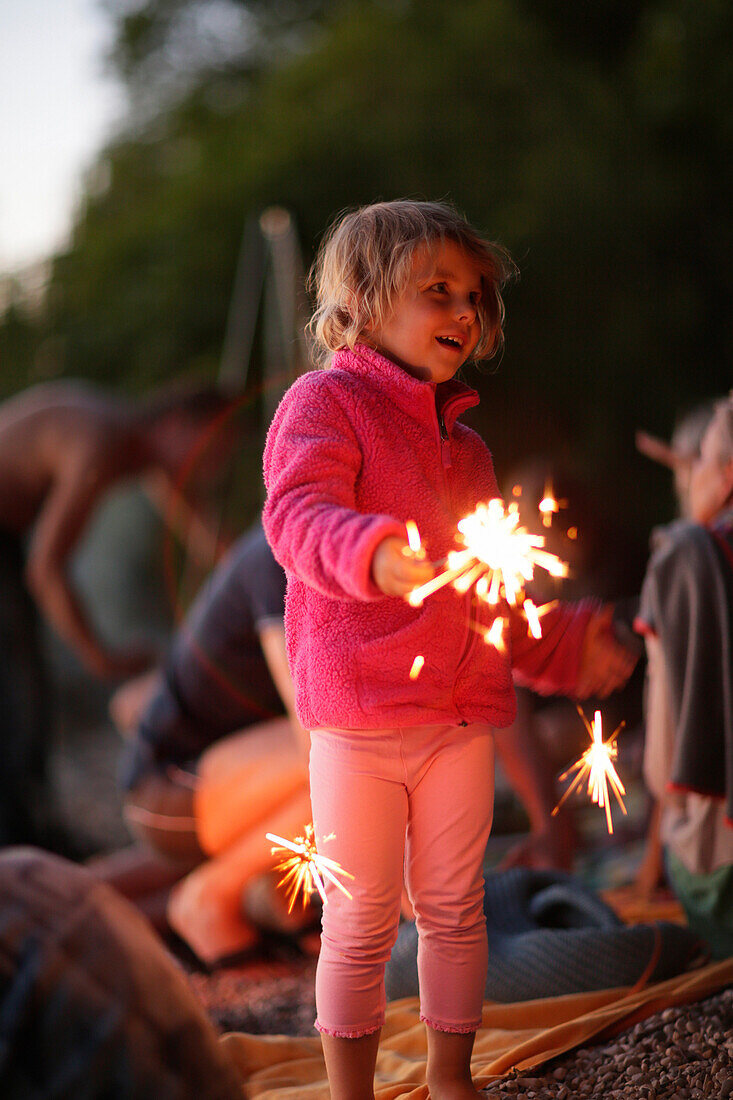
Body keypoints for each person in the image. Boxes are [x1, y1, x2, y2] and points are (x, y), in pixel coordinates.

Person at [262, 200, 637, 1100]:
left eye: (473, 297)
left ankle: (447, 1077)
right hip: (356, 721)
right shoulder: (323, 403)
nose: (463, 314)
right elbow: (295, 514)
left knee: (455, 909)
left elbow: (489, 594)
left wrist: (566, 649)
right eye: (438, 292)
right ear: (360, 297)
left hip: (458, 721)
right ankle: (351, 1089)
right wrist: (371, 552)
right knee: (356, 920)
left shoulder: (465, 448)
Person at [0, 378, 236, 847]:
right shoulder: (101, 440)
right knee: (17, 684)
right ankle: (20, 841)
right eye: (209, 448)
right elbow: (45, 568)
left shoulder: (146, 456)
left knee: (26, 679)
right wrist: (100, 657)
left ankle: (34, 830)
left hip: (7, 537)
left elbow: (216, 544)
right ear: (173, 423)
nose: (211, 467)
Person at [635, 392, 733, 958]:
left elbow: (664, 763)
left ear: (724, 476)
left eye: (698, 462)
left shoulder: (682, 559)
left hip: (722, 880)